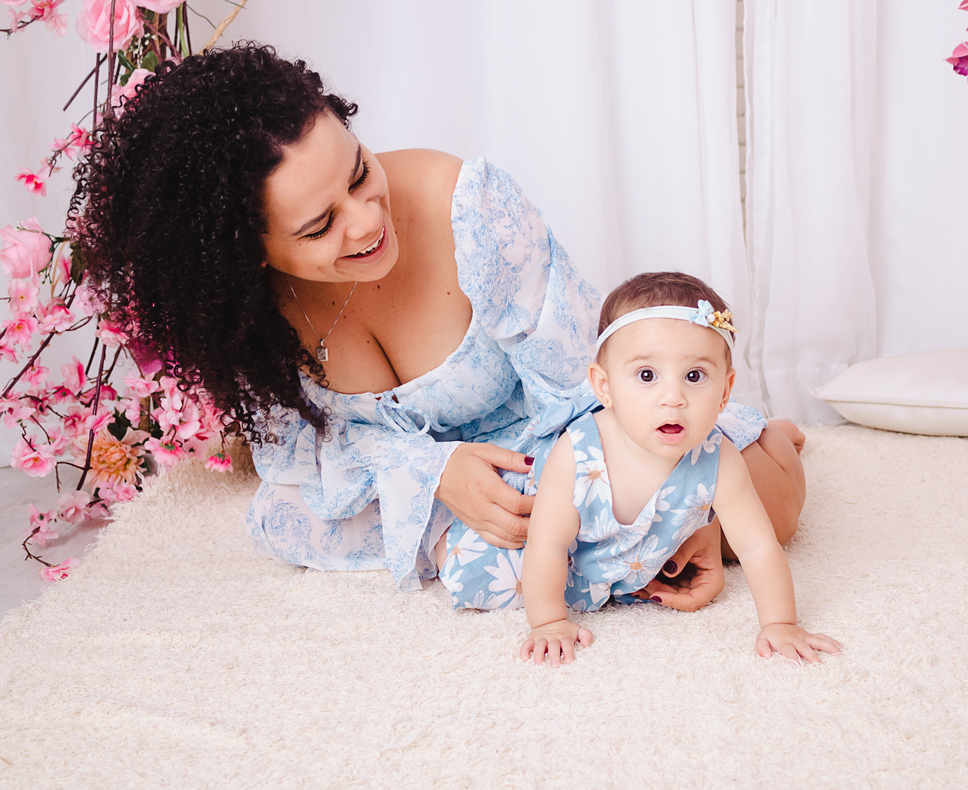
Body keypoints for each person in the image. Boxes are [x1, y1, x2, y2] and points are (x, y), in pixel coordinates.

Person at [72, 44, 807, 610]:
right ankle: (598, 546)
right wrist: (434, 474)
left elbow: (589, 383)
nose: (367, 221)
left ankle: (745, 462)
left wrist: (630, 506)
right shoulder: (252, 320)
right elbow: (311, 465)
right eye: (320, 225)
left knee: (767, 498)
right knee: (286, 519)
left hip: (550, 440)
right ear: (249, 258)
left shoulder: (469, 206)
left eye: (359, 173)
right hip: (423, 482)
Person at [436, 273, 840, 665]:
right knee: (482, 575)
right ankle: (759, 425)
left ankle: (770, 434)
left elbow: (757, 546)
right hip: (574, 539)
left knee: (779, 510)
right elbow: (547, 544)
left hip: (634, 539)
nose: (673, 397)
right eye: (647, 375)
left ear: (724, 391)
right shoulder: (576, 453)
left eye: (694, 376)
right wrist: (549, 622)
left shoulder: (720, 459)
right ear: (604, 386)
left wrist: (781, 623)